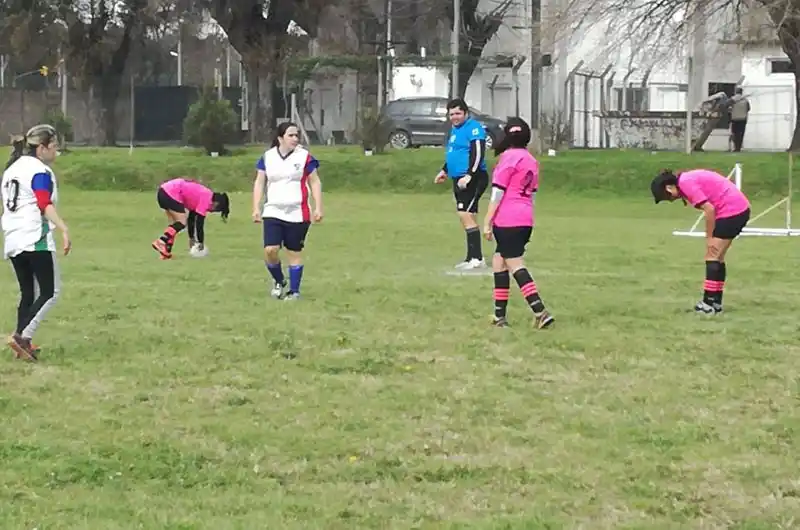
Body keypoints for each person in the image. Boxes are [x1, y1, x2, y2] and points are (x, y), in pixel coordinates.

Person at [1, 124, 71, 361]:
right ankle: (22, 336)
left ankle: (23, 345)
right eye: (54, 147)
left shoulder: (12, 168)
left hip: (12, 237)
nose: (56, 152)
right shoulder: (39, 171)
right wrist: (63, 227)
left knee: (28, 293)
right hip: (34, 236)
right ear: (41, 148)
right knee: (51, 291)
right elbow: (43, 202)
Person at [481, 118, 555, 329]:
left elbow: (498, 192)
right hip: (525, 218)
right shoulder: (531, 160)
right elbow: (531, 193)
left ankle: (540, 311)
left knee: (514, 264)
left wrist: (487, 221)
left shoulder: (507, 159)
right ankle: (499, 316)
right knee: (499, 261)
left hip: (507, 218)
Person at [651, 168, 751, 314]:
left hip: (731, 211)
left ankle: (708, 303)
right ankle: (715, 302)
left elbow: (709, 210)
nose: (671, 200)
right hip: (738, 209)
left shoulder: (685, 183)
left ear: (668, 187)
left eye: (667, 197)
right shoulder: (686, 180)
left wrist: (709, 238)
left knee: (712, 256)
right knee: (718, 258)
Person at [252, 121, 323, 300]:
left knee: (294, 252)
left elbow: (314, 181)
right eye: (290, 135)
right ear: (280, 138)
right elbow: (259, 182)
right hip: (273, 210)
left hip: (298, 212)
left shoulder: (304, 156)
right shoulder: (268, 157)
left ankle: (294, 291)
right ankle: (278, 280)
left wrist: (318, 207)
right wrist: (255, 207)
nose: (295, 138)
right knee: (270, 250)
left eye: (296, 135)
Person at [434, 98, 489, 271]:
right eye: (451, 114)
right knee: (469, 215)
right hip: (457, 178)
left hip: (474, 178)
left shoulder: (473, 128)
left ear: (466, 113)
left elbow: (477, 153)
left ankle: (477, 258)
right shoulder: (454, 130)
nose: (455, 117)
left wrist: (469, 175)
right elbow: (454, 152)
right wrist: (444, 170)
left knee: (464, 214)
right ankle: (472, 257)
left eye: (458, 113)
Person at [152, 177, 230, 260]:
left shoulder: (201, 196)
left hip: (163, 191)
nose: (211, 211)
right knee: (181, 222)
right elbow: (199, 223)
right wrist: (200, 242)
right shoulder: (207, 198)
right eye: (215, 210)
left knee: (174, 225)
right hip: (170, 193)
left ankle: (166, 253)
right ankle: (161, 241)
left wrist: (191, 238)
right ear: (216, 203)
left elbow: (192, 219)